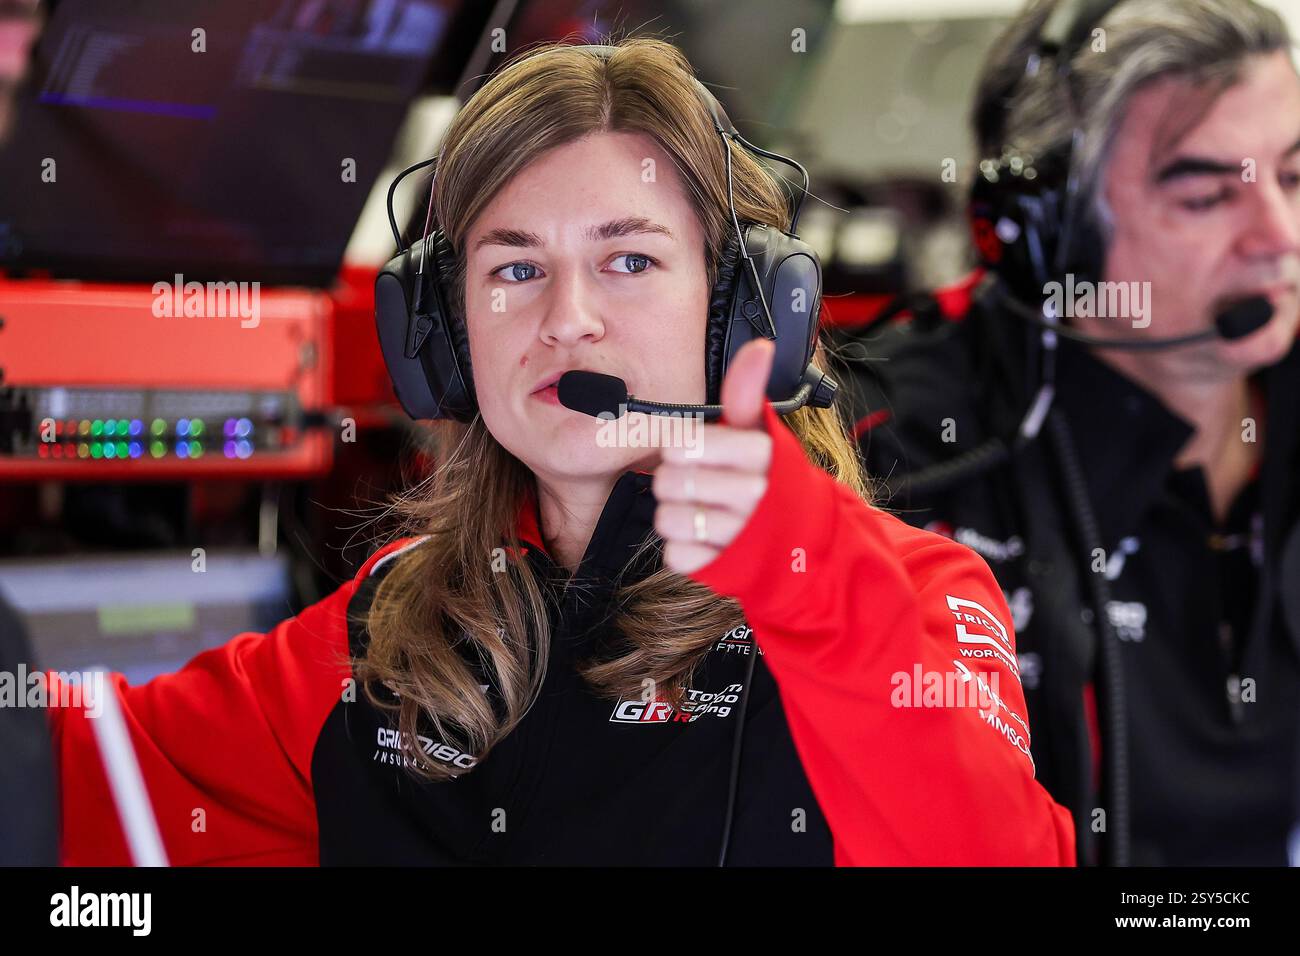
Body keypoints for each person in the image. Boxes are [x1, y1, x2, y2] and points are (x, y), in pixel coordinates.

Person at [49, 38, 1074, 866]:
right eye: (515, 266)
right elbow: (68, 781)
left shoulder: (911, 591)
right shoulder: (392, 626)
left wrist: (808, 579)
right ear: (442, 335)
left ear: (745, 312)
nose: (567, 318)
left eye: (629, 259)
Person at [841, 0, 1300, 865]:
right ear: (1047, 235)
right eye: (1207, 195)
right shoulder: (889, 449)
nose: (1279, 239)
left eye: (1297, 176)